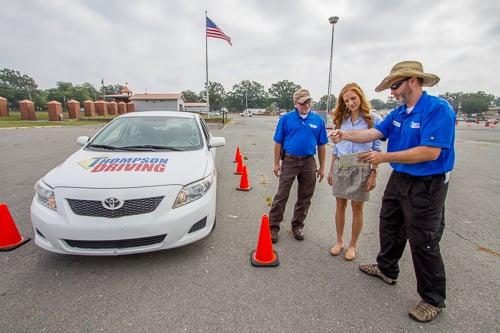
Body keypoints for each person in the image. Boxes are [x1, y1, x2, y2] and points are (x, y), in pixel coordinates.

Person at [330, 61, 455, 322]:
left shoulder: (437, 109)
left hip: (427, 183)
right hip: (400, 178)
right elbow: (375, 132)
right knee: (389, 223)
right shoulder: (398, 113)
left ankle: (432, 298)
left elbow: (430, 152)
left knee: (423, 238)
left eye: (395, 85)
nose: (392, 91)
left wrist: (383, 157)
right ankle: (387, 269)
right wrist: (345, 136)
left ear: (413, 81)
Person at [327, 83, 382, 261]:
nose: (350, 103)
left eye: (353, 98)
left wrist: (374, 173)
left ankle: (353, 245)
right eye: (346, 100)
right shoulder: (340, 120)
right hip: (341, 166)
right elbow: (336, 149)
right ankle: (339, 241)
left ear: (361, 97)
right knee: (340, 205)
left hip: (361, 167)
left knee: (357, 207)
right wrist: (330, 170)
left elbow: (377, 148)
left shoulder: (372, 119)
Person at [269, 88, 328, 243]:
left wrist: (322, 167)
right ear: (295, 103)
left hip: (309, 162)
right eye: (302, 103)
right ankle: (273, 226)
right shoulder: (286, 119)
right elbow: (278, 142)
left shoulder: (317, 120)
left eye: (308, 101)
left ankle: (297, 225)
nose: (306, 105)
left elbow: (322, 145)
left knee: (305, 196)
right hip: (289, 161)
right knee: (282, 194)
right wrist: (276, 164)